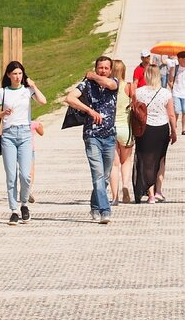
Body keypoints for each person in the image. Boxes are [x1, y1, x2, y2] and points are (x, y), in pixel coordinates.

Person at [63, 56, 120, 224]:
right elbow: (69, 98)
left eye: (105, 68)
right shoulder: (87, 85)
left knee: (106, 176)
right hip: (92, 135)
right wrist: (88, 110)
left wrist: (93, 76)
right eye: (99, 68)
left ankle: (95, 205)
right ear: (96, 68)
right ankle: (105, 210)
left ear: (110, 70)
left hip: (109, 136)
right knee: (98, 174)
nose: (102, 70)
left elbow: (110, 84)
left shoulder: (113, 82)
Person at [0, 60, 47, 225]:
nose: (17, 77)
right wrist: (2, 113)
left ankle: (24, 203)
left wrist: (33, 86)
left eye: (20, 74)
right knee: (11, 175)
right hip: (8, 135)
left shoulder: (27, 90)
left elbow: (43, 101)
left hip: (25, 134)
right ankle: (14, 210)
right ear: (8, 75)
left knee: (25, 174)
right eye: (14, 73)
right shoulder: (2, 92)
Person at [133, 63, 178, 203]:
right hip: (161, 128)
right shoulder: (165, 93)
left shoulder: (139, 92)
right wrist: (174, 131)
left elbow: (135, 112)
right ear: (159, 76)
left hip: (145, 129)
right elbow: (171, 115)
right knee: (160, 159)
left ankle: (150, 193)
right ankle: (158, 190)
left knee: (146, 159)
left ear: (146, 75)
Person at [109, 60, 134, 206]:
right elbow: (135, 103)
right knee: (126, 161)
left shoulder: (107, 87)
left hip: (111, 128)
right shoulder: (129, 86)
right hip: (126, 128)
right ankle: (125, 187)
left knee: (114, 164)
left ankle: (114, 196)